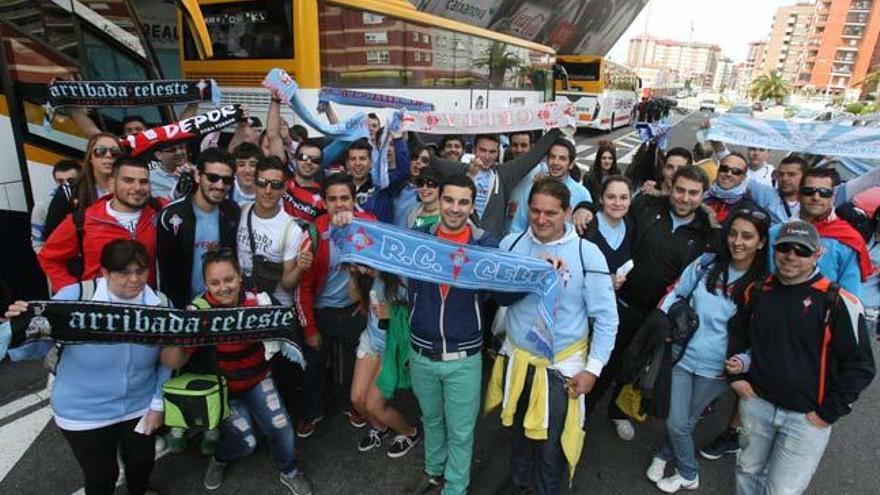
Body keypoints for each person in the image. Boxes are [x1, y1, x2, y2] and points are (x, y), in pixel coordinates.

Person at [2, 240, 172, 495]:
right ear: (104, 272)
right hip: (83, 411)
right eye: (124, 273)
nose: (135, 279)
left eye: (141, 271)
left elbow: (166, 359)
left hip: (139, 404)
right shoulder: (75, 296)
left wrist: (158, 403)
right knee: (102, 476)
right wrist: (19, 326)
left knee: (142, 464)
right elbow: (33, 349)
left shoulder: (160, 303)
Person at [726, 220, 875, 495]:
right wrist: (735, 377)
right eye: (784, 248)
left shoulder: (838, 301)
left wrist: (826, 414)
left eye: (801, 251)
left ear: (817, 254)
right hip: (756, 404)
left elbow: (861, 366)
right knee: (747, 471)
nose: (791, 256)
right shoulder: (758, 291)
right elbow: (737, 333)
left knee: (782, 490)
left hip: (805, 420)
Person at [496, 179, 618, 495]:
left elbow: (606, 317)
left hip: (560, 369)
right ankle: (520, 486)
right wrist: (528, 274)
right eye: (535, 211)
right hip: (517, 360)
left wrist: (593, 369)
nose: (541, 219)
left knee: (551, 449)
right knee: (518, 436)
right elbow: (498, 296)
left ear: (566, 212)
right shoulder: (511, 244)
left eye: (550, 213)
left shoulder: (586, 253)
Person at [578, 166, 718, 440]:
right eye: (680, 190)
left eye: (693, 193)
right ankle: (578, 419)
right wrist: (583, 206)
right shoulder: (645, 206)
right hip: (623, 305)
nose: (685, 198)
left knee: (634, 371)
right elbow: (612, 207)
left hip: (659, 318)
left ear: (704, 195)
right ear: (670, 187)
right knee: (603, 366)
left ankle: (618, 412)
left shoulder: (707, 232)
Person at [160, 249, 313, 495]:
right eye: (215, 282)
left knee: (282, 426)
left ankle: (290, 471)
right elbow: (170, 362)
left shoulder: (258, 300)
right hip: (222, 390)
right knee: (246, 443)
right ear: (206, 283)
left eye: (229, 279)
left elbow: (286, 329)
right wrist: (178, 336)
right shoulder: (198, 311)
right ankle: (219, 459)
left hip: (258, 380)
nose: (223, 288)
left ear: (240, 276)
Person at [645, 209, 769, 493]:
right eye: (733, 234)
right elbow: (675, 293)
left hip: (718, 369)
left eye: (747, 236)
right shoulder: (705, 264)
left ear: (761, 243)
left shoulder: (763, 286)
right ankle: (677, 463)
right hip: (681, 355)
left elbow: (761, 338)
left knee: (684, 421)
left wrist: (744, 360)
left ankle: (679, 467)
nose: (737, 241)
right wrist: (667, 319)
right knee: (678, 420)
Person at [406, 175, 501, 495]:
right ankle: (434, 471)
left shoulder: (486, 245)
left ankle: (455, 488)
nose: (455, 208)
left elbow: (501, 289)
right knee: (431, 421)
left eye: (463, 202)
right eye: (449, 200)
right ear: (438, 200)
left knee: (461, 432)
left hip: (464, 355)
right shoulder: (419, 238)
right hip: (421, 352)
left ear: (473, 206)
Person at [294, 173, 376, 438]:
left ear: (354, 200)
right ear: (324, 202)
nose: (339, 204)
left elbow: (382, 273)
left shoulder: (370, 226)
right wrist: (309, 329)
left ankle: (356, 406)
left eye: (345, 198)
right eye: (333, 199)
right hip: (322, 313)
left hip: (355, 311)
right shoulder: (313, 233)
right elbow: (302, 288)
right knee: (314, 365)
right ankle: (312, 411)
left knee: (357, 361)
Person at [39, 157, 161, 290]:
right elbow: (49, 257)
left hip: (147, 303)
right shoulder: (84, 219)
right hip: (98, 307)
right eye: (128, 180)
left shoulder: (160, 215)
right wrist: (75, 292)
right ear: (112, 183)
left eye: (143, 182)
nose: (137, 188)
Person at [430, 130, 563, 238]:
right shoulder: (459, 169)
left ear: (498, 152)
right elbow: (431, 158)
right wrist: (412, 126)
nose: (487, 156)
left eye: (492, 152)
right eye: (483, 150)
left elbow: (533, 156)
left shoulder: (504, 174)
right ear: (474, 150)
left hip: (492, 246)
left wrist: (558, 127)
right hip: (460, 242)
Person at [348, 267, 420, 458]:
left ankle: (409, 433)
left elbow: (420, 311)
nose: (362, 266)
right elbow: (352, 298)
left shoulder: (401, 276)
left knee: (374, 405)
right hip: (372, 340)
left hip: (392, 345)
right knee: (357, 399)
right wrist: (354, 274)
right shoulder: (364, 277)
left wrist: (393, 312)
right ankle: (381, 427)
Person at [157, 147, 241, 309]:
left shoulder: (232, 212)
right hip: (181, 308)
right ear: (197, 175)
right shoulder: (171, 216)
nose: (219, 185)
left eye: (227, 180)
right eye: (212, 178)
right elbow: (163, 271)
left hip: (219, 304)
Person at [767, 167, 872, 297]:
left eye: (824, 192)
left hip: (824, 314)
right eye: (808, 191)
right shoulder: (776, 233)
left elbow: (851, 295)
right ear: (799, 195)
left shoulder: (848, 240)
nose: (816, 197)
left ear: (832, 196)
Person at [236, 156, 309, 306]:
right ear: (255, 183)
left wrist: (300, 268)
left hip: (274, 308)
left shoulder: (291, 230)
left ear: (284, 187)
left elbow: (287, 283)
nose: (268, 191)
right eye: (262, 183)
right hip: (240, 299)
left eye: (275, 185)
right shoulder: (239, 210)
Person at [43, 133, 121, 240]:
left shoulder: (132, 189)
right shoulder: (69, 191)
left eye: (115, 152)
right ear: (90, 158)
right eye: (100, 151)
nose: (108, 155)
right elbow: (52, 236)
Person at [509, 138, 592, 233]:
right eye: (552, 157)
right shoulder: (532, 188)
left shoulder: (582, 194)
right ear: (547, 160)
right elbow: (517, 227)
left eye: (562, 158)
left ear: (571, 164)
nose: (556, 162)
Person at [32, 159, 81, 253]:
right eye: (60, 181)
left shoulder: (92, 200)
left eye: (71, 180)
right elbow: (37, 244)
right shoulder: (42, 206)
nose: (66, 184)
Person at [703, 152, 763, 224]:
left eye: (736, 171)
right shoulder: (700, 195)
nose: (728, 174)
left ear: (743, 178)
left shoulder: (748, 209)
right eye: (724, 168)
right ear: (718, 170)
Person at [283, 138, 325, 223]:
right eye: (303, 157)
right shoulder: (281, 181)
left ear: (320, 165)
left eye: (315, 160)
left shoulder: (324, 196)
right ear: (295, 159)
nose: (309, 162)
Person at [391, 144, 432, 227]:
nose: (418, 162)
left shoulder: (431, 193)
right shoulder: (394, 185)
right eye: (415, 157)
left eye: (424, 160)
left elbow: (434, 219)